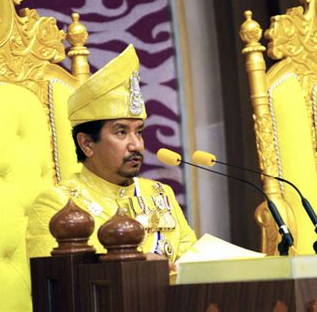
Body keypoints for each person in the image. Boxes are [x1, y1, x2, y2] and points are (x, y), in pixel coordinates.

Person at [26, 44, 196, 262]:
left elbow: (193, 268)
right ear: (87, 143)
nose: (137, 145)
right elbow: (59, 288)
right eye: (121, 132)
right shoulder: (57, 205)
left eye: (139, 132)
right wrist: (140, 268)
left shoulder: (160, 194)